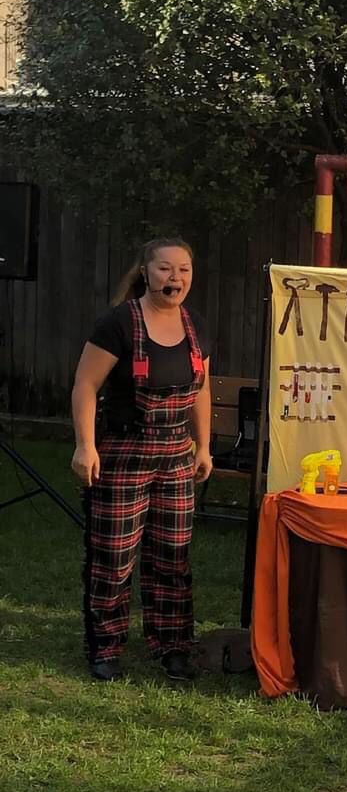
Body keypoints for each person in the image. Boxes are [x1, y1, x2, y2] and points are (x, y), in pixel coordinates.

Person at [71, 237, 213, 682]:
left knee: (172, 554)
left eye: (184, 270)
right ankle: (105, 647)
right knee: (114, 555)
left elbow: (202, 389)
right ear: (146, 272)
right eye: (166, 269)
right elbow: (84, 385)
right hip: (124, 453)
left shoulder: (195, 325)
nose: (176, 278)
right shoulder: (118, 323)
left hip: (176, 455)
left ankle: (173, 646)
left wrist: (204, 446)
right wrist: (85, 445)